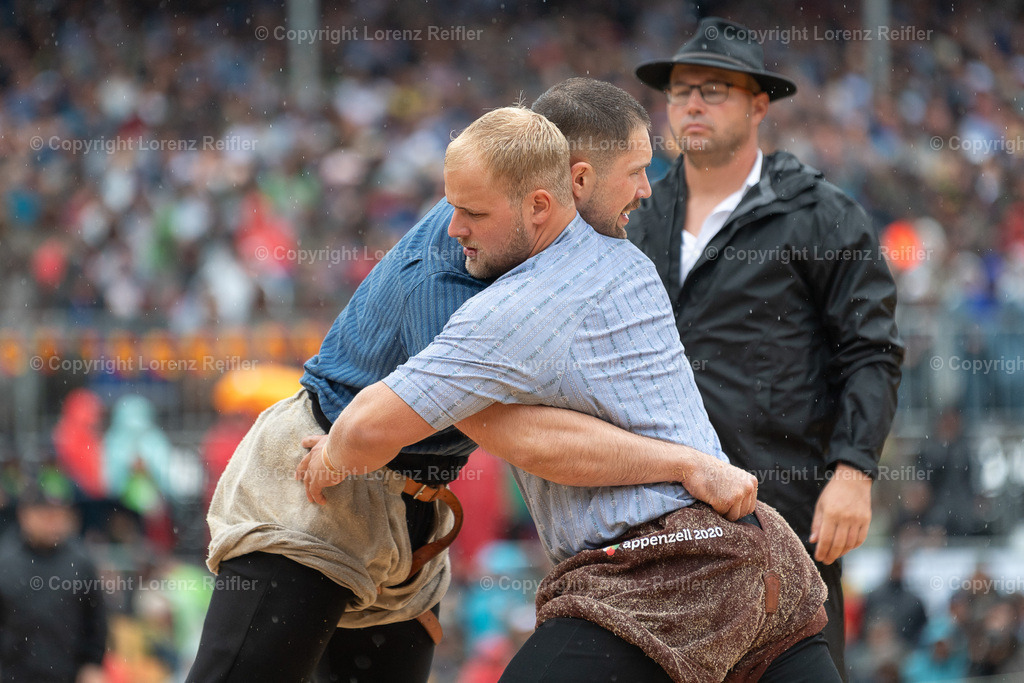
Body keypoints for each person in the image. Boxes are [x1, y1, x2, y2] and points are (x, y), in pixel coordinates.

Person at [188, 79, 757, 683]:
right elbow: (516, 435)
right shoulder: (457, 271)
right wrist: (687, 464)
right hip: (319, 480)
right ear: (567, 182)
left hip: (415, 510)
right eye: (635, 172)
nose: (646, 189)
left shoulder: (541, 249)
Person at [298, 105, 840, 681]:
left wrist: (335, 454)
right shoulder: (624, 259)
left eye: (472, 212)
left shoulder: (516, 307)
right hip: (763, 558)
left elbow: (368, 427)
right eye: (633, 171)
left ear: (543, 202)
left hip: (664, 568)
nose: (453, 229)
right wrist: (687, 464)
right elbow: (528, 434)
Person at [628, 17, 905, 676]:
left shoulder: (821, 214)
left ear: (759, 105)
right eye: (680, 90)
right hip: (659, 514)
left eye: (714, 89)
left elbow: (871, 352)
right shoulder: (638, 216)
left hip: (786, 512)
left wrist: (854, 471)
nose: (692, 103)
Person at [0, 479, 107, 683]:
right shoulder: (5, 561)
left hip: (67, 672)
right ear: (25, 515)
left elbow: (95, 620)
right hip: (14, 674)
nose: (53, 523)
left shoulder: (80, 562)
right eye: (46, 515)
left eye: (59, 515)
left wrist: (92, 664)